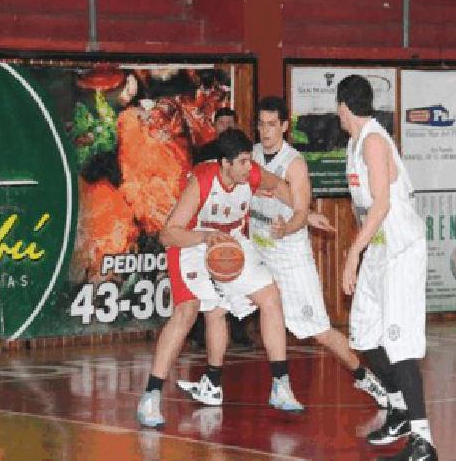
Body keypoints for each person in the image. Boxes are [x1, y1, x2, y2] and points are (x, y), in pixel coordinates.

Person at [179, 96, 389, 408]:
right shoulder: (248, 159)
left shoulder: (294, 163)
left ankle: (365, 377)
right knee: (218, 309)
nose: (265, 131)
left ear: (285, 126)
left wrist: (290, 226)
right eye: (261, 124)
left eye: (272, 125)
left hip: (289, 256)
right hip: (255, 249)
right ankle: (216, 382)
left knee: (319, 331)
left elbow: (301, 210)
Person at [136, 128, 305, 428]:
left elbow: (280, 186)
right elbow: (167, 234)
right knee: (188, 312)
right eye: (241, 162)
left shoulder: (250, 174)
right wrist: (205, 236)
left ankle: (278, 385)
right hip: (190, 244)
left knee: (269, 297)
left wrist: (303, 212)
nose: (248, 167)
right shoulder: (201, 182)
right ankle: (150, 396)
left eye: (249, 161)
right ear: (224, 164)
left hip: (229, 243)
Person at [337, 75, 437, 460]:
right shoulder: (354, 143)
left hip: (401, 253)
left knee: (400, 345)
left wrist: (350, 254)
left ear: (343, 106)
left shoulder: (375, 142)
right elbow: (363, 207)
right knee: (363, 336)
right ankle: (397, 408)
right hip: (379, 250)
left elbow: (381, 206)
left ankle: (423, 441)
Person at [187, 107, 255, 349]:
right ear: (214, 126)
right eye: (222, 122)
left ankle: (239, 331)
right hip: (204, 224)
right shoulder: (203, 153)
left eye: (230, 122)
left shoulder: (245, 160)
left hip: (232, 223)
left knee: (235, 274)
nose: (226, 126)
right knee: (202, 283)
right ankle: (199, 335)